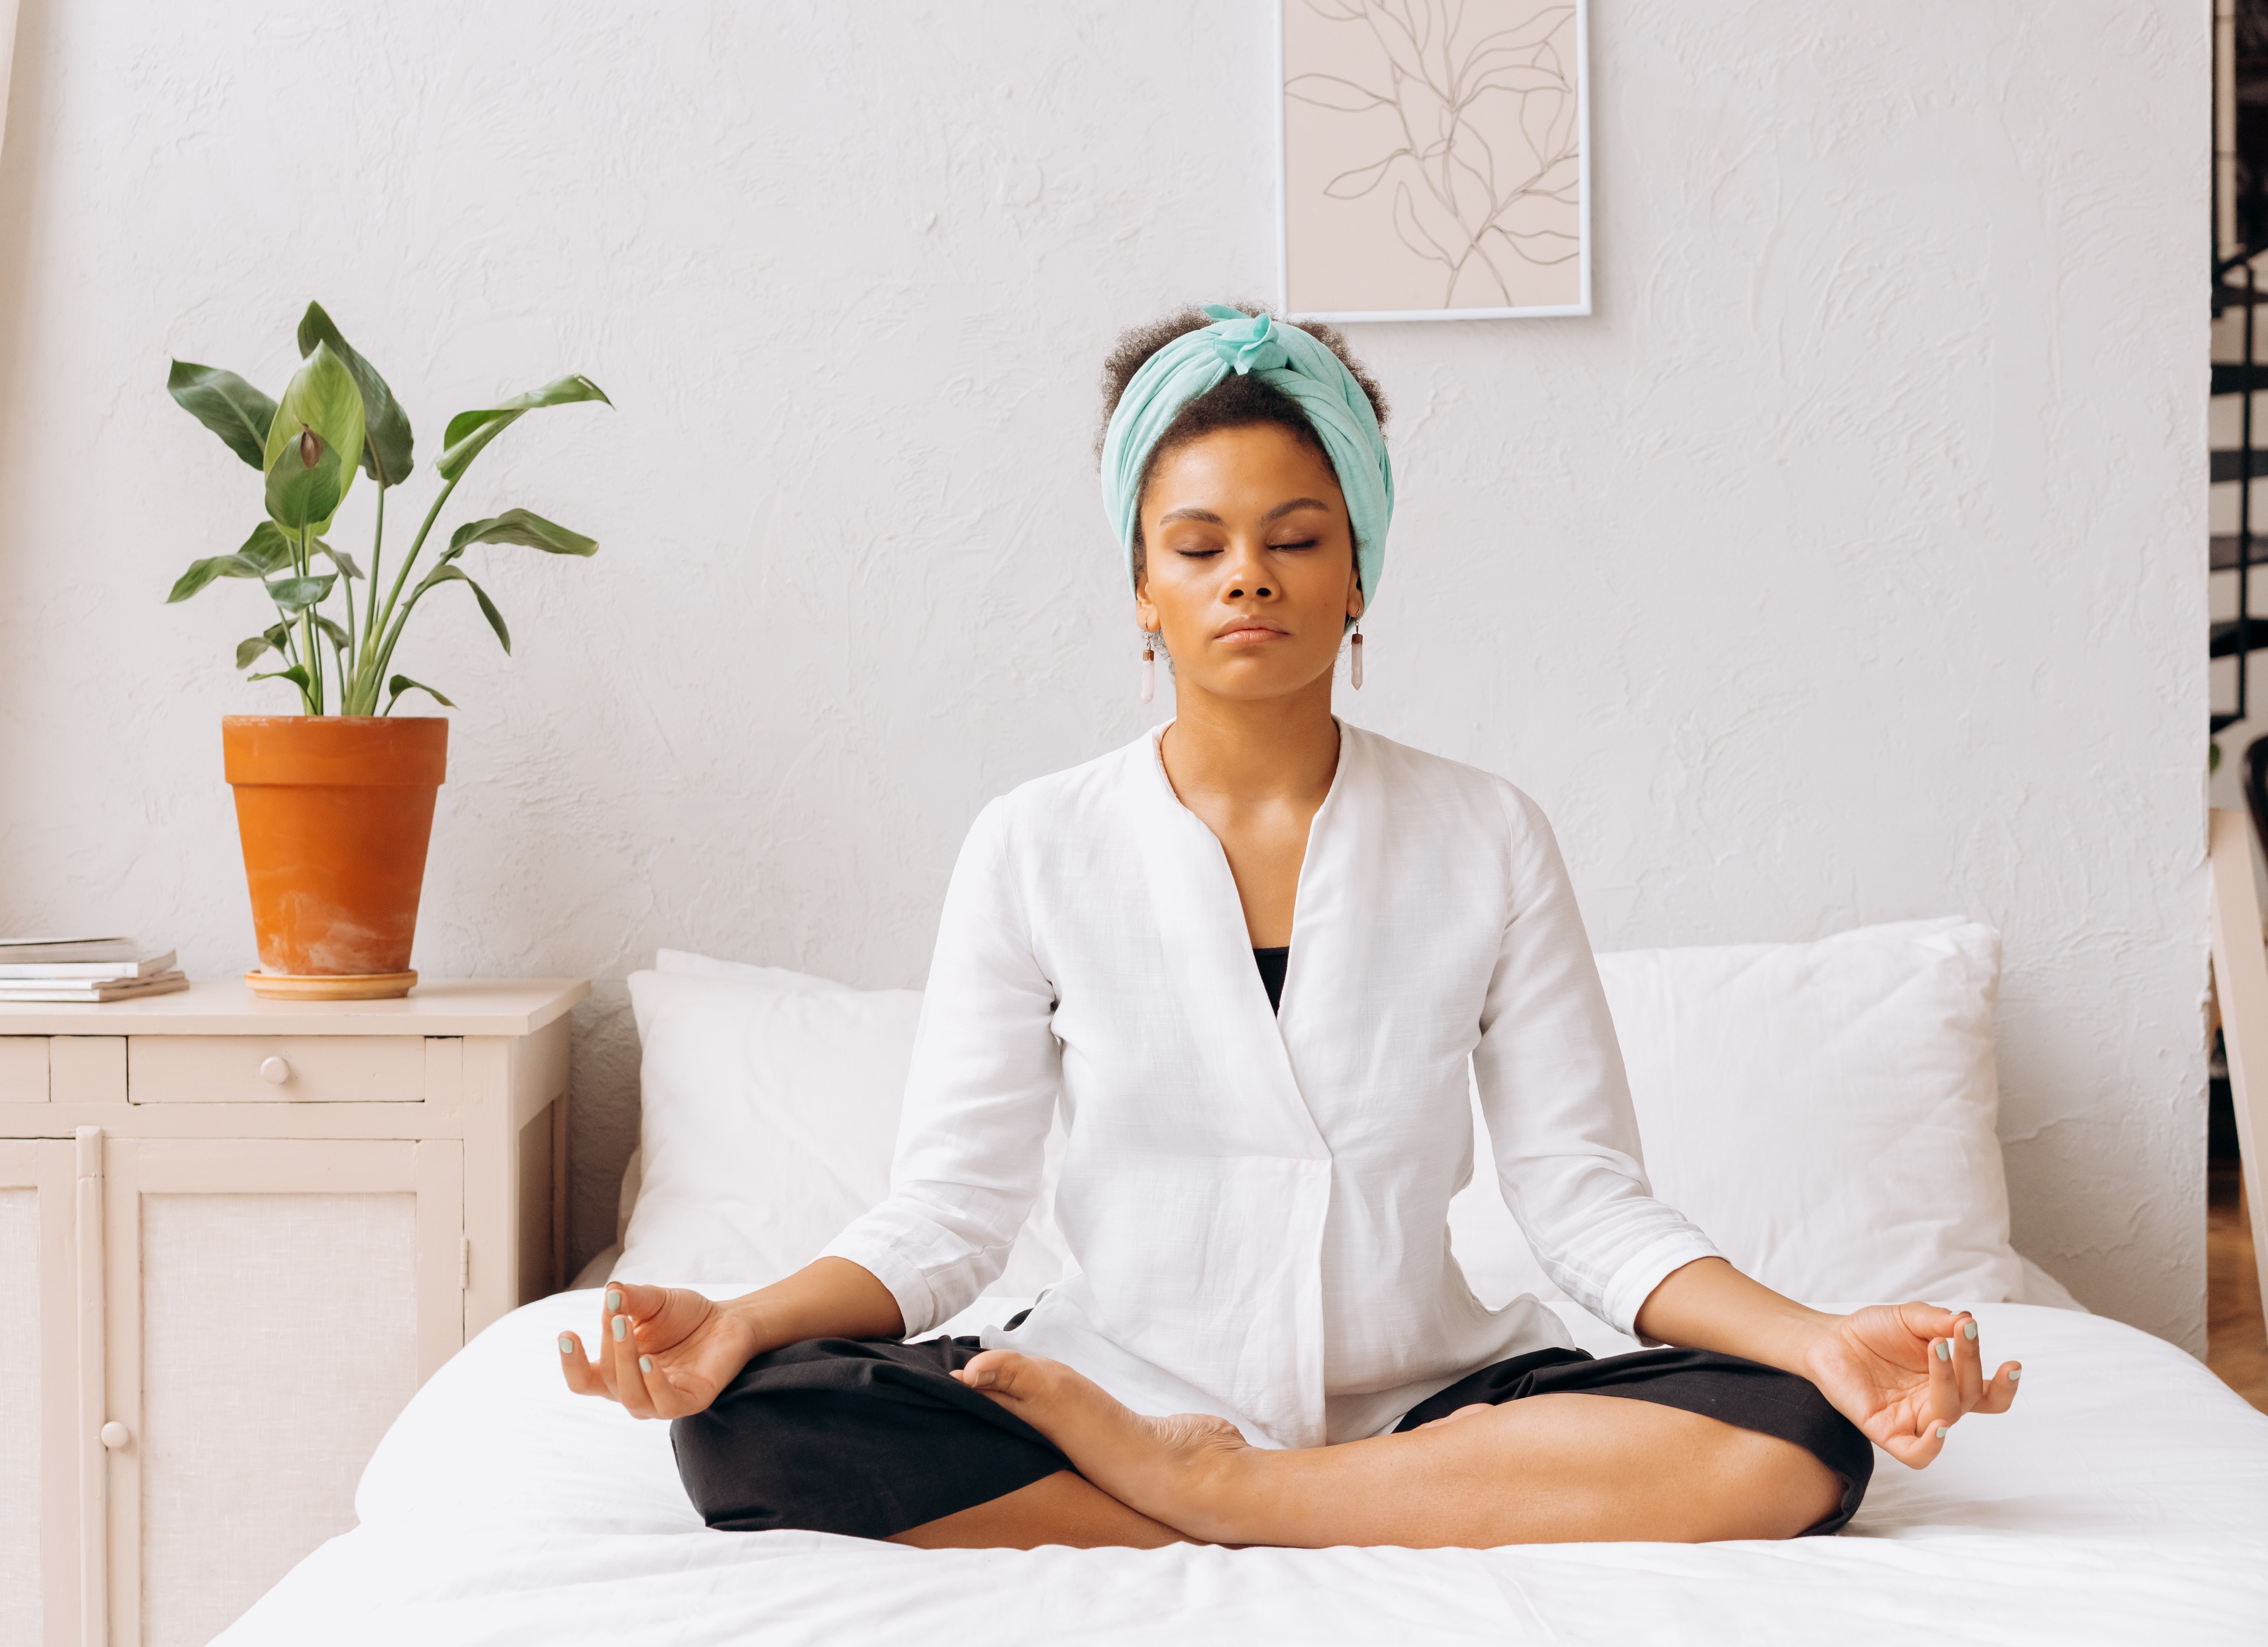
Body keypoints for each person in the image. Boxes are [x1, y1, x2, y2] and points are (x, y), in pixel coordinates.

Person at [557, 303, 2023, 1549]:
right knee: (753, 1435)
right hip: (1104, 1380)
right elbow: (950, 1214)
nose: (1245, 574)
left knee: (1802, 1435)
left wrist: (1818, 1339)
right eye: (1195, 546)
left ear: (1359, 572)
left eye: (1295, 537)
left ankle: (1244, 1495)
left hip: (1420, 1396)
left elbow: (1582, 1201)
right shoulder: (1034, 844)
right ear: (1142, 588)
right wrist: (745, 1320)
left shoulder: (1488, 834)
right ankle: (1285, 1490)